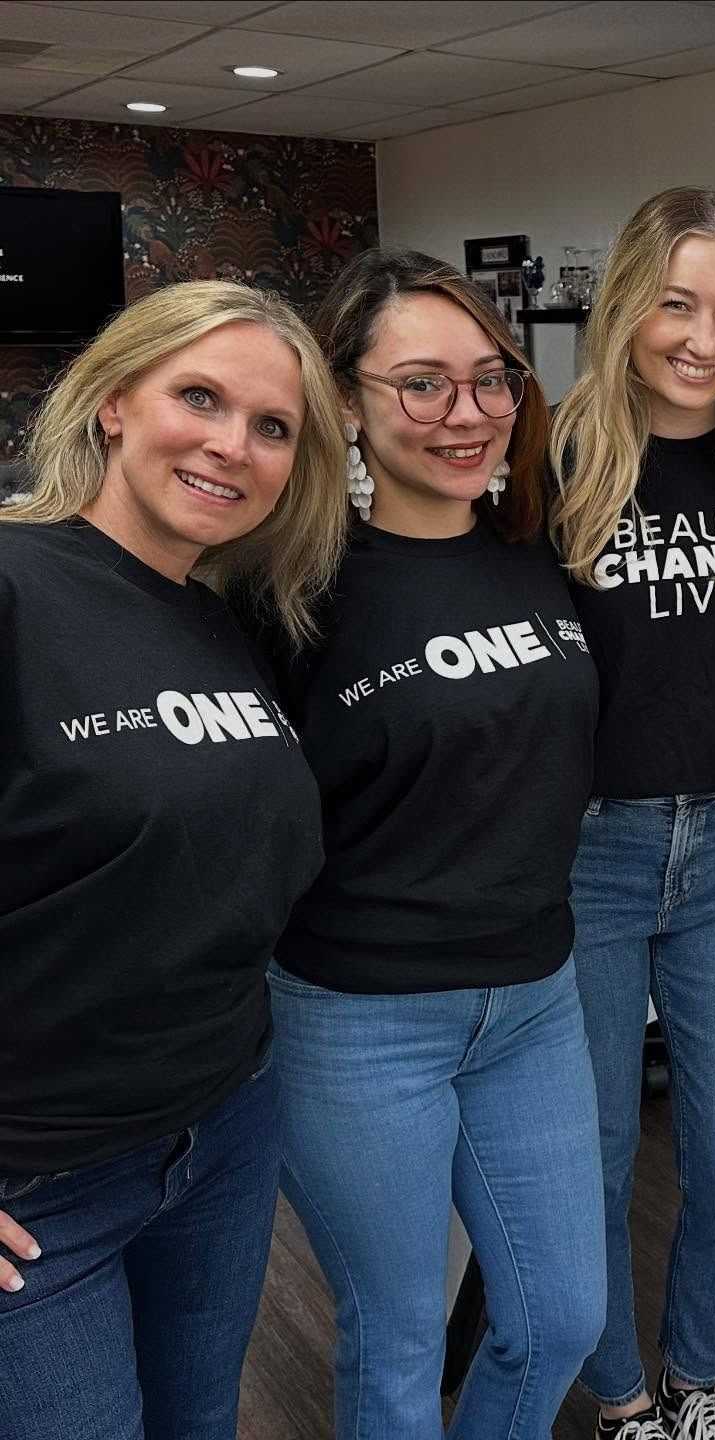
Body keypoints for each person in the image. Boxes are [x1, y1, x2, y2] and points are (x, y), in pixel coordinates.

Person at [248, 248, 605, 1440]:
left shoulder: (537, 550)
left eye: (490, 379)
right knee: (397, 1338)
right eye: (422, 384)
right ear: (345, 398)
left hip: (536, 998)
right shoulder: (290, 588)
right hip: (358, 1016)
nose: (468, 414)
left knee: (560, 1318)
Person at [0, 280, 346, 1439]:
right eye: (198, 397)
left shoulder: (230, 615)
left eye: (271, 427)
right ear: (110, 401)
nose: (229, 445)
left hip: (223, 1133)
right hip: (39, 1181)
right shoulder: (16, 583)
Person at [548, 187, 715, 1440]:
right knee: (593, 1160)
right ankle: (622, 1396)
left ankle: (700, 1373)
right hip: (584, 851)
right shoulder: (551, 459)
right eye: (677, 304)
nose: (704, 338)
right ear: (627, 305)